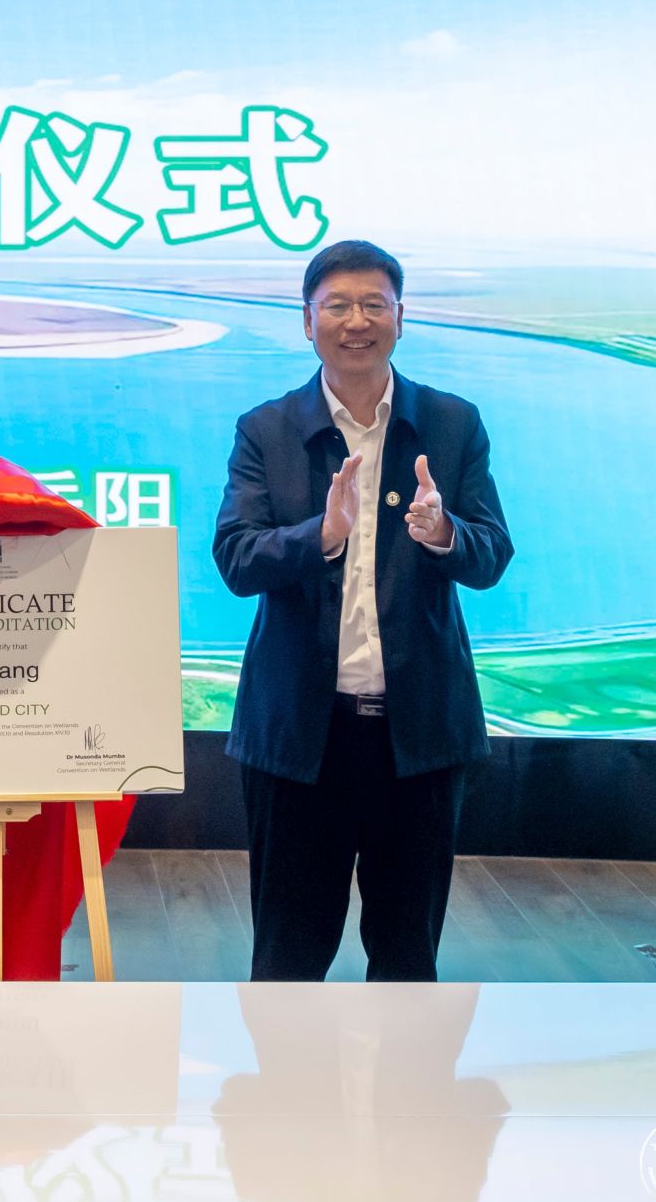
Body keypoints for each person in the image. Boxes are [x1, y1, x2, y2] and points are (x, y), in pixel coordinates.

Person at [213, 240, 512, 981]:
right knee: (286, 963)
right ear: (307, 321)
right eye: (338, 306)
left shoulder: (451, 423)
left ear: (401, 318)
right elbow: (237, 560)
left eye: (375, 305)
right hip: (299, 741)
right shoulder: (267, 429)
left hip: (419, 739)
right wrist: (319, 536)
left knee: (408, 963)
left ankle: (405, 1069)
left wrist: (445, 533)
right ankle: (286, 1068)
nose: (357, 321)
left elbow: (491, 555)